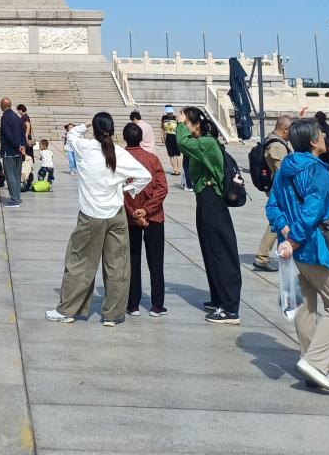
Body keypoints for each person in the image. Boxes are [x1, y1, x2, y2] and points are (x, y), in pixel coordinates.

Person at [266, 116, 329, 393]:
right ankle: (315, 362)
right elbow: (312, 213)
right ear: (313, 141)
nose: (325, 137)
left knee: (305, 306)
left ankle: (312, 362)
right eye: (321, 134)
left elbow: (272, 206)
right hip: (313, 248)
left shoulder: (286, 167)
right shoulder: (319, 171)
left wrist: (285, 232)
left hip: (293, 251)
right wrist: (294, 239)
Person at [46, 113, 151, 326]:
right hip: (116, 215)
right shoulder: (119, 153)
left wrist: (83, 124)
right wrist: (125, 188)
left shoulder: (85, 148)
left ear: (94, 130)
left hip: (91, 215)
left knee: (80, 263)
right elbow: (145, 176)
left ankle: (68, 310)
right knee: (117, 264)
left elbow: (71, 134)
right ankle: (113, 314)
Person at [176, 108, 241, 324]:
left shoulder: (207, 143)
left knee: (221, 250)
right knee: (210, 249)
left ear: (197, 124)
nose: (183, 125)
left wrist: (179, 125)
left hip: (213, 200)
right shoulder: (201, 143)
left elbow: (183, 143)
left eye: (186, 122)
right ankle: (219, 297)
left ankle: (229, 308)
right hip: (205, 198)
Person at [122, 122, 169, 317]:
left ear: (124, 138)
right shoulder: (152, 159)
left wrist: (135, 212)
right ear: (141, 138)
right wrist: (147, 210)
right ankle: (157, 305)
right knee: (156, 260)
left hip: (129, 217)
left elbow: (120, 190)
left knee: (132, 259)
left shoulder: (120, 159)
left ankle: (132, 304)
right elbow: (162, 188)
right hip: (154, 216)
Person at [252, 114, 292, 272]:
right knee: (277, 222)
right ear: (285, 129)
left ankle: (265, 256)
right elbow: (283, 170)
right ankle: (262, 257)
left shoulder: (274, 140)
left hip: (278, 188)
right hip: (281, 189)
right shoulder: (277, 146)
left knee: (279, 221)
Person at [0, 98, 25, 208]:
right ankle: (17, 197)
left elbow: (7, 134)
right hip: (18, 152)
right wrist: (22, 145)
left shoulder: (5, 117)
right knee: (17, 176)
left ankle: (14, 200)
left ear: (2, 105)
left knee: (10, 176)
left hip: (9, 151)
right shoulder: (17, 117)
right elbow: (23, 133)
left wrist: (17, 145)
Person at [160, 106, 181, 175]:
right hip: (168, 137)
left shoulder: (176, 118)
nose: (170, 114)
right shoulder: (164, 118)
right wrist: (162, 135)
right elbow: (162, 127)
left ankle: (178, 169)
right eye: (168, 112)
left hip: (176, 137)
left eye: (171, 112)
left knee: (177, 154)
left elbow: (180, 128)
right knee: (171, 155)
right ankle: (174, 169)